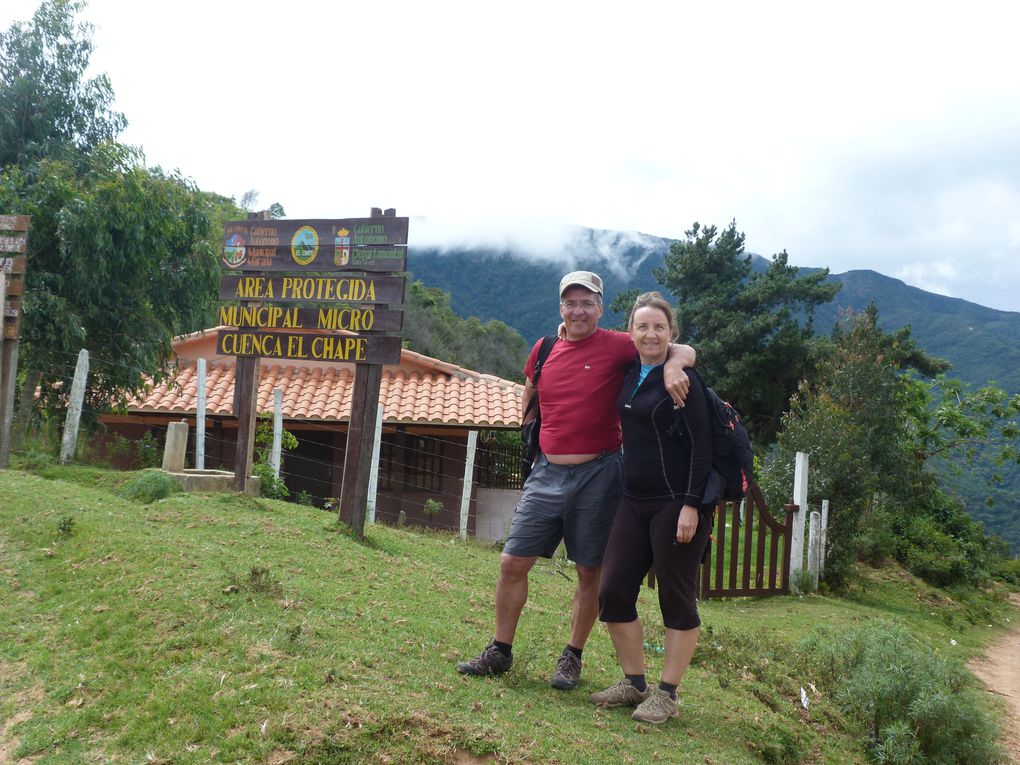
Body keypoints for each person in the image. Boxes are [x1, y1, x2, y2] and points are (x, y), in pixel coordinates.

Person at [457, 272, 696, 690]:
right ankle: (500, 650)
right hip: (546, 471)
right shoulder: (544, 347)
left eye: (587, 302)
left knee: (590, 571)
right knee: (512, 562)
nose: (578, 310)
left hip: (600, 473)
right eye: (571, 302)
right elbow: (530, 394)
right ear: (560, 308)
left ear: (601, 308)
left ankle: (573, 655)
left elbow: (678, 347)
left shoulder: (619, 344)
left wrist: (675, 365)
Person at [589, 291, 712, 724]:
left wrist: (692, 505)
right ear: (631, 332)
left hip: (677, 502)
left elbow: (703, 446)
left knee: (676, 596)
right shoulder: (629, 371)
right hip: (634, 500)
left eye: (659, 327)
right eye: (642, 326)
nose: (651, 333)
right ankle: (635, 682)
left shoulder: (682, 380)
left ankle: (668, 694)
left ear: (671, 333)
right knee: (613, 591)